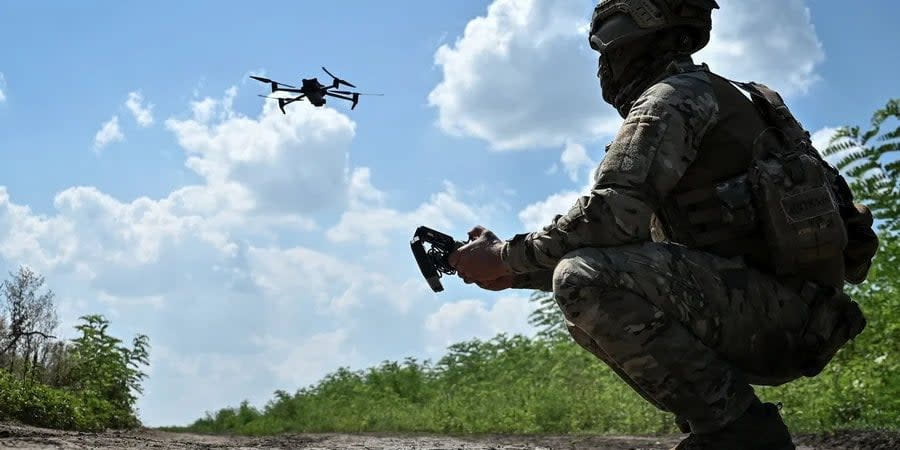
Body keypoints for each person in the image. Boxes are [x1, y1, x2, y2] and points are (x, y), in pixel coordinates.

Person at [447, 1, 875, 449]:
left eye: (607, 45)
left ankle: (737, 430)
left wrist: (502, 256)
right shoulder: (729, 98)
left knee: (580, 280)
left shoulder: (673, 98)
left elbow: (608, 218)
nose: (604, 64)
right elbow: (640, 247)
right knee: (577, 287)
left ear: (642, 32)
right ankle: (725, 426)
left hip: (773, 318)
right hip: (796, 318)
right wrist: (511, 273)